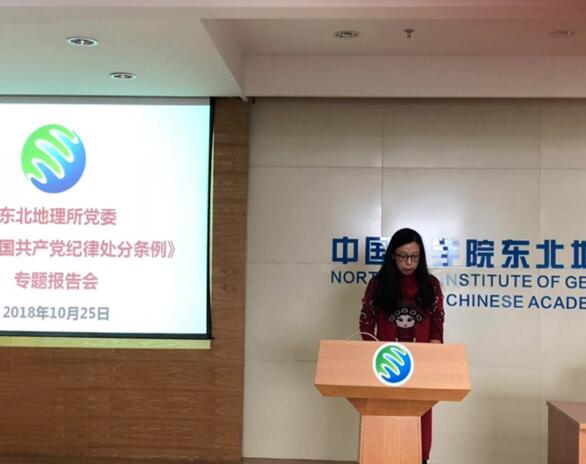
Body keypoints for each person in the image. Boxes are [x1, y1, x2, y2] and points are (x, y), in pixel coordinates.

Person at [359, 227, 445, 464]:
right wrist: (374, 354)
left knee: (420, 419)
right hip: (386, 364)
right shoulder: (378, 285)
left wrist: (432, 353)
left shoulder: (431, 284)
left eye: (414, 257)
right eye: (403, 256)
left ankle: (420, 458)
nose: (409, 263)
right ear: (392, 256)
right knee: (386, 416)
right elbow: (366, 322)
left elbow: (437, 323)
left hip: (420, 365)